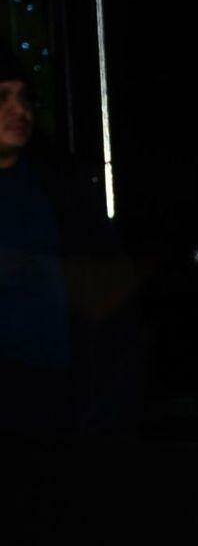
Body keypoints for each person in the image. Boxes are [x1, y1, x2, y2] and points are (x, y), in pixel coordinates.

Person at [0, 46, 141, 436]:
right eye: (3, 97)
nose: (19, 110)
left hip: (58, 389)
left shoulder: (59, 185)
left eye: (24, 97)